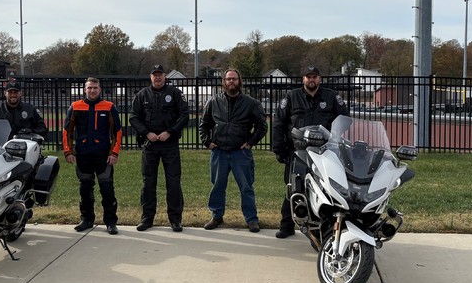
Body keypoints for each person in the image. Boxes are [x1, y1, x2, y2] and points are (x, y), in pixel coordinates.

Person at [272, 65, 349, 239]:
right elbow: (279, 123)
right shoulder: (292, 97)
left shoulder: (331, 96)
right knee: (293, 187)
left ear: (319, 79)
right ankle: (287, 225)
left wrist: (335, 139)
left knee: (326, 188)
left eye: (314, 76)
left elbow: (345, 120)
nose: (311, 79)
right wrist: (279, 149)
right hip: (298, 152)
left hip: (325, 152)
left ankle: (324, 226)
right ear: (303, 79)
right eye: (308, 77)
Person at [199, 69, 268, 233]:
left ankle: (251, 219)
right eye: (228, 79)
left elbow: (262, 126)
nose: (231, 82)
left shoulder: (251, 103)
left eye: (234, 79)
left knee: (246, 187)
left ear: (239, 81)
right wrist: (207, 141)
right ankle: (217, 216)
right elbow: (204, 124)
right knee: (217, 186)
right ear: (224, 81)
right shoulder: (214, 101)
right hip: (219, 152)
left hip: (240, 152)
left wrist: (250, 143)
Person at [129, 64, 189, 232]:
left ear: (164, 76)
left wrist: (170, 132)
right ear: (150, 77)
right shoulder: (142, 95)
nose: (157, 77)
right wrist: (146, 133)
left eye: (160, 74)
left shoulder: (175, 93)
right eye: (154, 74)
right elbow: (133, 117)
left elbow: (184, 115)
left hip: (170, 144)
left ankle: (175, 220)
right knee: (148, 182)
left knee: (173, 182)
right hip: (150, 145)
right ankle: (147, 218)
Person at [63, 77, 122, 235]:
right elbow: (67, 131)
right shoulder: (75, 106)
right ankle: (87, 219)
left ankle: (111, 222)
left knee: (107, 189)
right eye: (89, 88)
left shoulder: (109, 107)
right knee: (85, 189)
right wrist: (68, 151)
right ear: (85, 90)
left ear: (100, 89)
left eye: (95, 87)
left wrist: (114, 153)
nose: (92, 90)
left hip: (103, 156)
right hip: (83, 155)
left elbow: (117, 132)